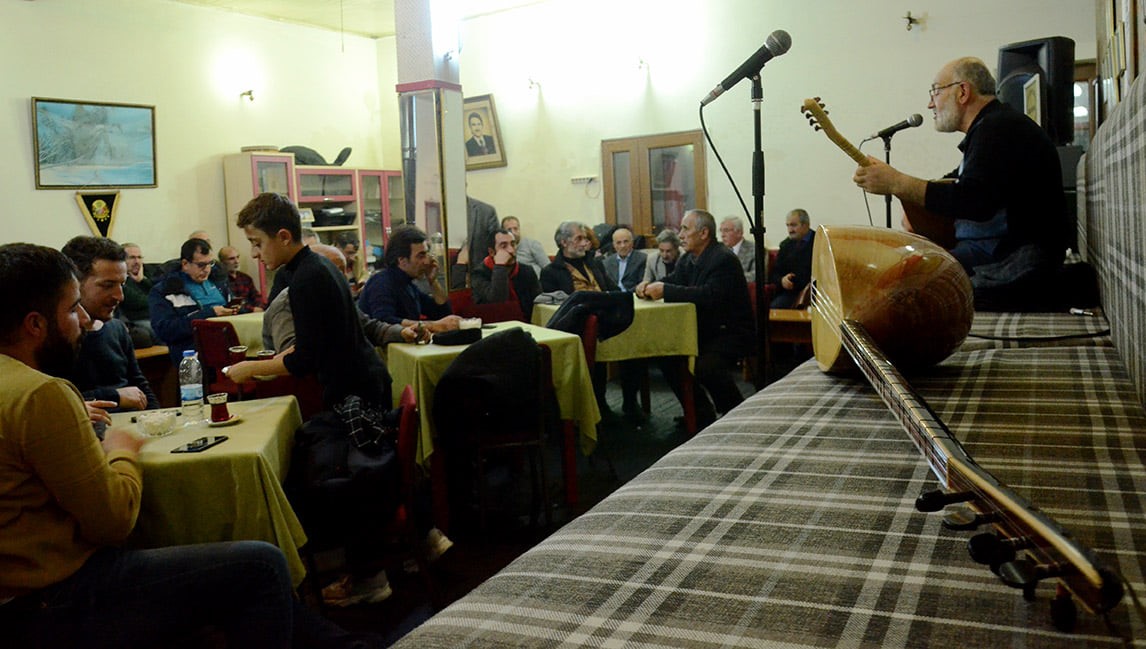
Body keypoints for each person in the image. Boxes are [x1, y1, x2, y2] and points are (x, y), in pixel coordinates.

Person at [0, 243, 295, 648]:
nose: (82, 321)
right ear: (35, 324)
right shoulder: (39, 394)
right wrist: (121, 448)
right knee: (262, 565)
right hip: (51, 601)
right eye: (71, 310)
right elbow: (114, 521)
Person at [853, 56, 1068, 310]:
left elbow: (974, 201)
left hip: (1012, 262)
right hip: (999, 253)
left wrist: (897, 183)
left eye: (935, 92)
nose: (930, 103)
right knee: (902, 267)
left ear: (963, 92)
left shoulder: (997, 129)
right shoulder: (994, 126)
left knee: (899, 282)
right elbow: (957, 181)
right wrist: (914, 204)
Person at [636, 209, 755, 427]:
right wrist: (647, 286)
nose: (680, 234)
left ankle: (736, 414)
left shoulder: (723, 259)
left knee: (705, 365)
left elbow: (710, 295)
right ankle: (699, 412)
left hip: (729, 331)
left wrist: (665, 290)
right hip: (703, 329)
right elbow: (673, 280)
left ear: (703, 233)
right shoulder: (689, 258)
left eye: (685, 229)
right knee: (666, 355)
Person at [262, 244, 424, 352]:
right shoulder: (286, 304)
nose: (343, 278)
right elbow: (292, 356)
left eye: (343, 271)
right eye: (335, 271)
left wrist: (403, 332)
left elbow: (370, 328)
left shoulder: (336, 297)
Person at [61, 236, 159, 414]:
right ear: (74, 283)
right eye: (107, 285)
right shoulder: (59, 338)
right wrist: (114, 396)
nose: (120, 296)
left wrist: (159, 421)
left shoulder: (117, 329)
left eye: (122, 284)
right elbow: (59, 404)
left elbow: (140, 386)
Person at [148, 238, 239, 363]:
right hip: (192, 355)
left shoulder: (219, 282)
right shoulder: (165, 291)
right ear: (185, 264)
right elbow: (165, 330)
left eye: (210, 263)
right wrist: (208, 314)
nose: (207, 269)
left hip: (228, 347)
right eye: (201, 265)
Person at [358, 226, 460, 333]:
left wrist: (433, 281)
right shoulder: (381, 282)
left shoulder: (408, 285)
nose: (426, 261)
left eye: (426, 254)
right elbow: (384, 321)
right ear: (402, 260)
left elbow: (443, 314)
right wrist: (433, 325)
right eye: (421, 256)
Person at [471, 228, 542, 320]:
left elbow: (538, 301)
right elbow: (498, 302)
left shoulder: (526, 271)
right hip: (495, 324)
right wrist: (500, 266)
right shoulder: (479, 274)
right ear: (492, 252)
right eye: (504, 246)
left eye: (513, 244)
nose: (511, 250)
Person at [540, 221, 617, 294]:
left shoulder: (595, 264)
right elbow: (553, 305)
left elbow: (615, 291)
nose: (584, 243)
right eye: (578, 239)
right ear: (564, 242)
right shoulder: (550, 272)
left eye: (585, 238)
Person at [770, 209, 816, 309]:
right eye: (788, 225)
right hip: (790, 292)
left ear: (805, 225)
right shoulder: (785, 245)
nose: (790, 230)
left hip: (815, 293)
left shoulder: (819, 242)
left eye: (794, 225)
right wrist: (782, 280)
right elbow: (775, 272)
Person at [118, 241, 156, 348]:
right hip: (138, 320)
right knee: (158, 330)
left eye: (139, 257)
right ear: (122, 260)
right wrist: (155, 300)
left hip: (156, 316)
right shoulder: (120, 280)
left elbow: (160, 294)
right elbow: (136, 301)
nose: (137, 261)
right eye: (132, 258)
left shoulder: (146, 275)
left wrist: (142, 280)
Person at [218, 245, 266, 311]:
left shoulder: (245, 278)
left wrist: (260, 307)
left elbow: (256, 296)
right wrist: (252, 309)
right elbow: (230, 303)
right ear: (222, 262)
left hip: (252, 313)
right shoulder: (220, 280)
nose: (236, 261)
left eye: (237, 257)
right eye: (231, 258)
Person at [603, 226, 648, 292]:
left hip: (632, 296)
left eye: (626, 241)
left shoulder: (643, 259)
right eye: (618, 243)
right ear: (614, 245)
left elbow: (642, 284)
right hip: (612, 297)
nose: (623, 246)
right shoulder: (606, 262)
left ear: (632, 242)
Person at [466, 195, 499, 277]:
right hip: (449, 278)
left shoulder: (486, 212)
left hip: (481, 277)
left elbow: (496, 246)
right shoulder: (441, 210)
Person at [720, 216, 756, 284]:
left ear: (739, 232)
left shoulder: (754, 249)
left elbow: (756, 275)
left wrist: (729, 278)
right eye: (721, 231)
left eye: (726, 230)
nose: (722, 235)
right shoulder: (719, 251)